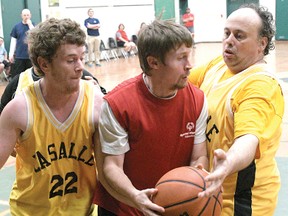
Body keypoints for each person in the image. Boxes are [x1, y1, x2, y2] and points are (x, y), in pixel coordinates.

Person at [94, 19, 209, 215]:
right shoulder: (118, 104)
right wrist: (135, 196)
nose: (189, 65)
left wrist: (193, 187)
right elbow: (112, 166)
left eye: (189, 56)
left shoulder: (197, 99)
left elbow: (199, 156)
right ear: (153, 62)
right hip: (123, 207)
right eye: (181, 58)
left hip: (170, 207)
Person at [0, 17, 103, 215]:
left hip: (83, 211)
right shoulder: (19, 109)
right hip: (29, 212)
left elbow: (110, 169)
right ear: (44, 64)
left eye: (82, 57)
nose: (80, 66)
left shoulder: (96, 101)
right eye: (71, 60)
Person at [189, 4, 284, 215]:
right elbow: (179, 84)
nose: (229, 41)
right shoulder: (218, 66)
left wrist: (228, 162)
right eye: (226, 33)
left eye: (239, 36)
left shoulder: (260, 86)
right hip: (209, 190)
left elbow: (248, 139)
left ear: (261, 43)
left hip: (243, 202)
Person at [0, 67, 107, 114]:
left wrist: (99, 94)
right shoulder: (19, 80)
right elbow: (2, 111)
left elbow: (107, 101)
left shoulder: (79, 74)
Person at [9, 8, 34, 78]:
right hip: (19, 56)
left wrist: (30, 25)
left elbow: (35, 35)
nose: (26, 17)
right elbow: (13, 41)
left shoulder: (33, 26)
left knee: (30, 76)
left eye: (28, 15)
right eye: (24, 15)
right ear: (21, 16)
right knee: (18, 76)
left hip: (30, 56)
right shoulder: (16, 27)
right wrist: (11, 54)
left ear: (30, 15)